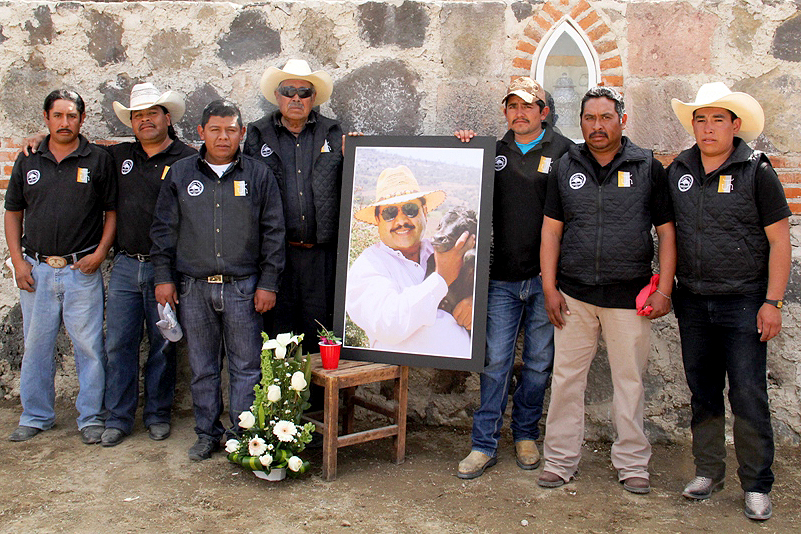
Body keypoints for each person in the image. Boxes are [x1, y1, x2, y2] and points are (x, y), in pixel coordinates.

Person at [537, 87, 676, 495]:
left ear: (622, 120)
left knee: (630, 383)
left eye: (605, 118)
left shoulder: (649, 166)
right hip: (574, 297)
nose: (597, 126)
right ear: (580, 123)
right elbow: (551, 230)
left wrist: (664, 290)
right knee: (565, 380)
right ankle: (560, 461)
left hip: (630, 298)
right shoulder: (566, 165)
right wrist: (549, 287)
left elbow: (667, 234)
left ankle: (633, 463)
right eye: (589, 119)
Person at [667, 82, 790, 521]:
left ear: (735, 125)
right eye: (701, 119)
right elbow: (668, 236)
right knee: (703, 393)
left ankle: (757, 485)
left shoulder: (757, 171)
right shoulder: (678, 170)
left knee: (749, 393)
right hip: (694, 303)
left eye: (718, 119)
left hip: (744, 303)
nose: (708, 128)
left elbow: (780, 242)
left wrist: (772, 302)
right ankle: (708, 471)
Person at [150, 99, 285, 461]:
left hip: (244, 288)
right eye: (215, 129)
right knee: (203, 368)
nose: (223, 137)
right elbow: (163, 232)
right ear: (201, 133)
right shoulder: (180, 174)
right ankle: (207, 433)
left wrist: (268, 282)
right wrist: (163, 278)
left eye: (230, 130)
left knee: (246, 366)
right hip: (193, 288)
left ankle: (242, 435)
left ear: (241, 132)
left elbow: (273, 233)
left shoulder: (258, 175)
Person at [453, 77, 573, 479]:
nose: (519, 113)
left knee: (539, 363)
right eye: (512, 106)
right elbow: (466, 184)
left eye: (528, 106)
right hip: (501, 279)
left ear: (545, 111)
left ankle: (525, 435)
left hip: (546, 281)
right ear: (505, 111)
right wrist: (462, 147)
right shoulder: (492, 150)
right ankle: (483, 444)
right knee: (496, 362)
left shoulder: (566, 152)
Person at [5, 89, 116, 444]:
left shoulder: (98, 159)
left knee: (89, 347)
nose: (65, 122)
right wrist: (18, 263)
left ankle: (91, 418)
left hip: (80, 271)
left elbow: (111, 212)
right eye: (58, 116)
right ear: (46, 117)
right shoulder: (28, 159)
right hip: (36, 270)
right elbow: (13, 212)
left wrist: (99, 254)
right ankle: (36, 415)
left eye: (72, 116)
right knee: (36, 345)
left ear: (82, 119)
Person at [243, 59, 343, 346]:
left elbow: (353, 178)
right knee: (279, 338)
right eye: (289, 90)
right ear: (278, 96)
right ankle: (282, 393)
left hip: (320, 257)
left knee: (320, 336)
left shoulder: (332, 133)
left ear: (313, 98)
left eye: (304, 92)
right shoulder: (258, 134)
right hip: (277, 257)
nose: (296, 97)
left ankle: (320, 393)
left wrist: (356, 151)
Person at [346, 165, 473, 357]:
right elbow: (389, 324)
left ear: (424, 212)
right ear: (378, 220)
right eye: (390, 213)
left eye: (410, 209)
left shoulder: (445, 249)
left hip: (464, 378)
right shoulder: (367, 266)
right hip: (406, 380)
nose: (401, 220)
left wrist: (476, 302)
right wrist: (441, 278)